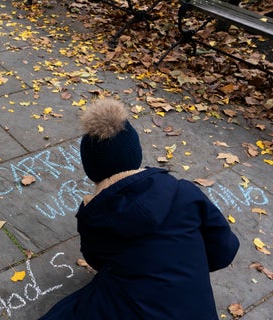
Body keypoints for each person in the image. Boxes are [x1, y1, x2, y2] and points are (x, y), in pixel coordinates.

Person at [40, 98, 239, 319]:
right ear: (136, 155)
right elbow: (225, 250)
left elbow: (96, 260)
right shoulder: (184, 193)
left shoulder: (94, 215)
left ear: (91, 171)